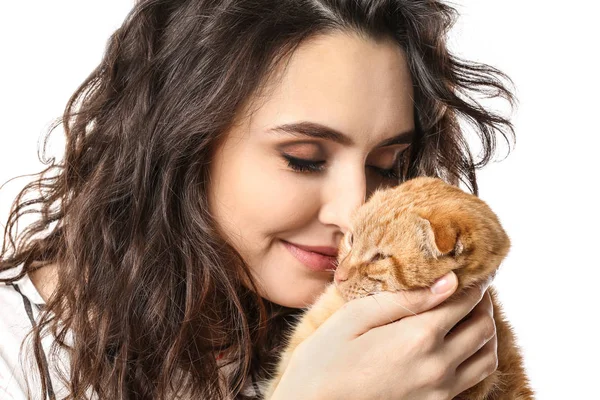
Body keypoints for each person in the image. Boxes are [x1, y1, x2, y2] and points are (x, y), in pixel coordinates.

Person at [0, 0, 516, 399]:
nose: (352, 214)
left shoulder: (397, 357)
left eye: (387, 167)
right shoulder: (10, 352)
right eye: (304, 158)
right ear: (181, 141)